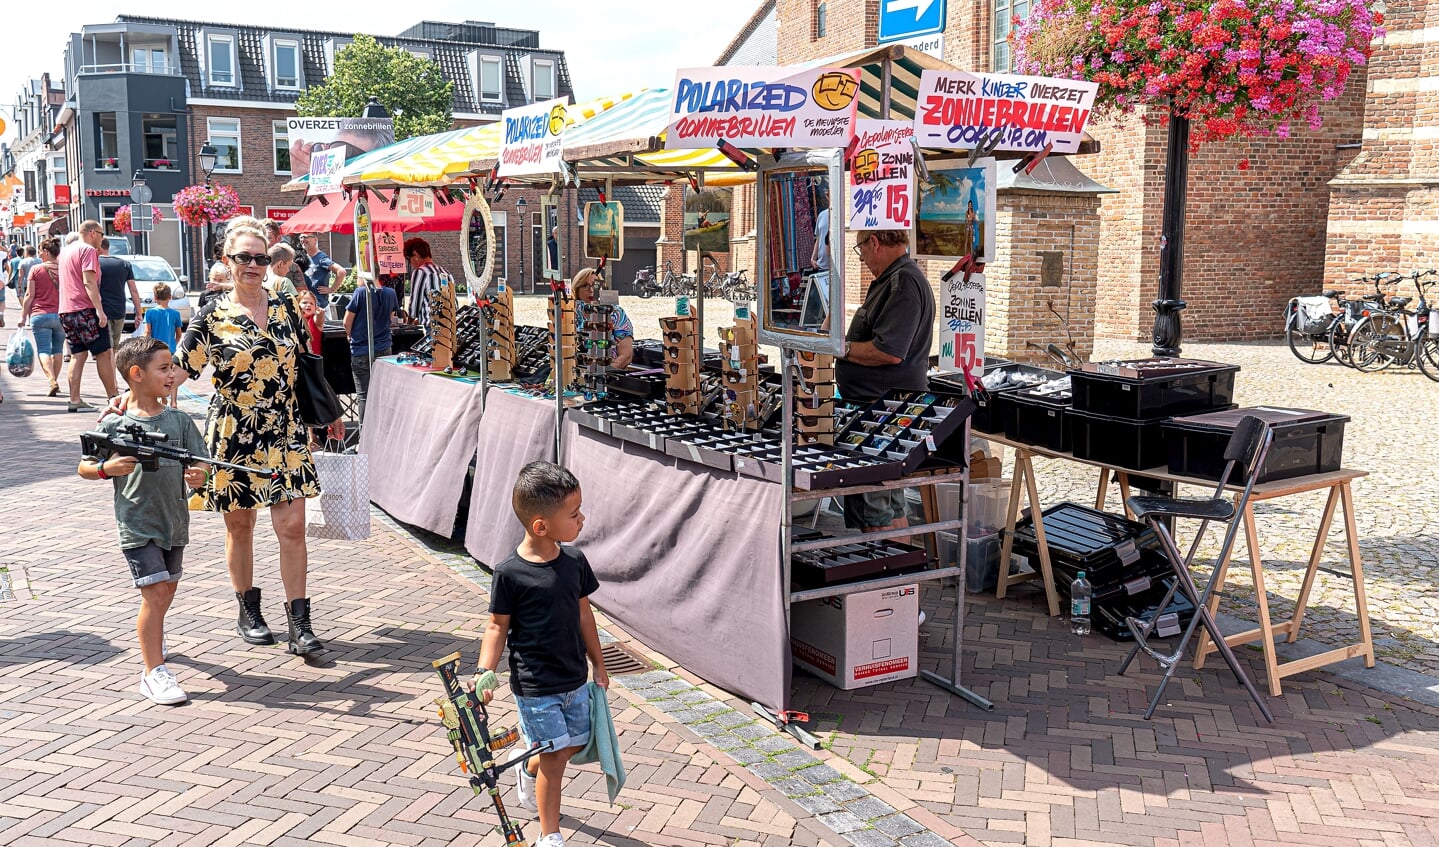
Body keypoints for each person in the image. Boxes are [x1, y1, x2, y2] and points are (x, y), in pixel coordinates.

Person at [175, 222, 341, 655]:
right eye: (243, 258)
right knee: (241, 525)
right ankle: (248, 610)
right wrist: (132, 397)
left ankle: (300, 624)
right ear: (227, 261)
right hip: (234, 430)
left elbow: (307, 362)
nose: (252, 265)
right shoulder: (211, 315)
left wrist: (326, 414)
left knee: (293, 527)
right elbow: (176, 371)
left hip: (284, 428)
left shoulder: (285, 304)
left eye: (260, 258)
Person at [475, 462, 608, 847]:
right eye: (574, 514)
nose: (582, 519)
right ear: (541, 526)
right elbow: (497, 626)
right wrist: (486, 670)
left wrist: (598, 662)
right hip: (535, 687)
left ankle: (526, 766)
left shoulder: (575, 563)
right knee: (554, 759)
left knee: (571, 747)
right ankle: (550, 835)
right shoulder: (510, 573)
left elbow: (584, 615)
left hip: (574, 678)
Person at [78, 336, 210, 705]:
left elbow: (199, 460)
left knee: (166, 591)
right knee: (153, 594)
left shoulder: (181, 420)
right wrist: (107, 468)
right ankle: (153, 672)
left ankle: (154, 636)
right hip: (136, 523)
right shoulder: (114, 425)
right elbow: (84, 466)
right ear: (136, 374)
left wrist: (198, 475)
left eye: (173, 367)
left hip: (175, 521)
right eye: (164, 368)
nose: (172, 375)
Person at [836, 230, 937, 535]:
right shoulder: (895, 279)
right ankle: (898, 575)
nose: (862, 257)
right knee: (888, 503)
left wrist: (841, 348)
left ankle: (885, 577)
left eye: (860, 249)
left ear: (875, 242)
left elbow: (889, 351)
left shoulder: (903, 282)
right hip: (883, 406)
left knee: (876, 507)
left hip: (882, 410)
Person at [59, 220, 120, 412]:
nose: (102, 240)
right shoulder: (88, 251)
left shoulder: (66, 251)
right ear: (93, 233)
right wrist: (99, 310)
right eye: (102, 235)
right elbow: (89, 282)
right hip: (85, 308)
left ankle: (74, 399)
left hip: (66, 310)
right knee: (104, 353)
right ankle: (113, 397)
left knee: (78, 354)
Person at [344, 275, 401, 422]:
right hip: (384, 347)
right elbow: (391, 318)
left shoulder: (360, 292)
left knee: (364, 395)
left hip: (362, 348)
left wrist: (350, 335)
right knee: (383, 394)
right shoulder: (390, 293)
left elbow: (346, 321)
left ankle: (364, 434)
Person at [19, 238, 65, 396]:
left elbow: (29, 295)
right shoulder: (65, 269)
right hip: (61, 315)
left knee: (44, 349)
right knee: (58, 349)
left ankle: (52, 381)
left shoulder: (36, 269)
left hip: (40, 315)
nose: (39, 254)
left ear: (46, 252)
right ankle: (54, 381)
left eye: (40, 251)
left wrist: (23, 316)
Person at [571, 267, 633, 369]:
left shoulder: (615, 313)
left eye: (595, 285)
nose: (591, 290)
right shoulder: (570, 313)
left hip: (606, 375)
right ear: (576, 289)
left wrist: (604, 374)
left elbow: (626, 355)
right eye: (585, 286)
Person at [143, 282, 184, 406]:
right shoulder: (175, 314)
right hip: (170, 349)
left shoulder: (150, 313)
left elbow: (147, 332)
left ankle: (162, 398)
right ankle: (174, 401)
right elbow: (179, 334)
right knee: (171, 374)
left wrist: (144, 345)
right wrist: (173, 344)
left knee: (157, 374)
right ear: (170, 297)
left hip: (155, 349)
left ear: (155, 298)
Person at [99, 237, 143, 350]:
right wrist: (139, 313)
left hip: (102, 310)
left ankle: (108, 367)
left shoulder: (96, 264)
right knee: (115, 346)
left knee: (105, 348)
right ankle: (112, 367)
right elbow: (133, 290)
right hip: (119, 310)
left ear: (98, 247)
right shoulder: (124, 264)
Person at [403, 237, 448, 330]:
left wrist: (409, 323)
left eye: (409, 259)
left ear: (415, 255)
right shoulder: (445, 272)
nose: (411, 264)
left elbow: (414, 306)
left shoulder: (421, 272)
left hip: (432, 329)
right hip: (449, 327)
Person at [299, 232, 344, 311]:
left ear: (315, 239)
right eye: (301, 237)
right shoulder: (304, 257)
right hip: (307, 306)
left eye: (306, 237)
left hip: (320, 307)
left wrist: (332, 289)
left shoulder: (321, 258)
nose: (303, 240)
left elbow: (341, 271)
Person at [263, 219, 308, 296]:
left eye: (269, 238)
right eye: (262, 238)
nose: (264, 242)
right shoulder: (255, 263)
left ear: (279, 238)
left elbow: (303, 293)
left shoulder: (292, 266)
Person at [810, 191, 831, 272]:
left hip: (836, 267)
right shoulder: (822, 215)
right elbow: (819, 238)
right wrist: (813, 258)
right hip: (821, 266)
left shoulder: (842, 216)